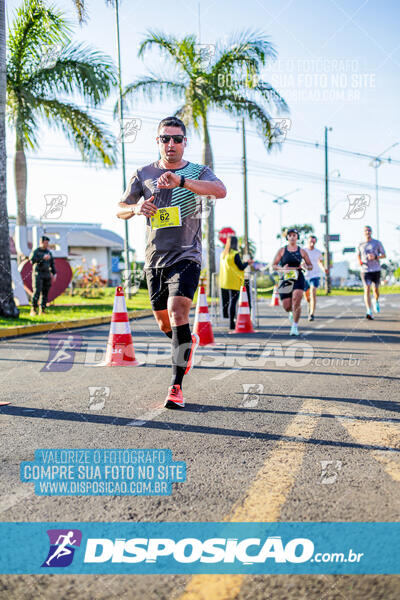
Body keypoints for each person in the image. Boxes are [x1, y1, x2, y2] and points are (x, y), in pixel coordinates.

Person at [117, 116, 226, 408]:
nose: (171, 144)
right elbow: (120, 209)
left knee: (178, 312)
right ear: (158, 141)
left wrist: (182, 181)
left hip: (187, 254)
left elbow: (220, 191)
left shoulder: (197, 171)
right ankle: (186, 344)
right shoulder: (143, 173)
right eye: (165, 138)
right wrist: (136, 207)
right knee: (164, 321)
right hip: (155, 259)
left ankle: (175, 387)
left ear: (184, 142)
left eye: (177, 139)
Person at [272, 229, 312, 336]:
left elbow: (310, 266)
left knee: (296, 300)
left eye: (294, 235)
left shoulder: (302, 251)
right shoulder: (282, 250)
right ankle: (291, 313)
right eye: (290, 235)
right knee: (286, 306)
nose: (292, 237)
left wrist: (305, 266)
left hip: (298, 277)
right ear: (287, 238)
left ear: (297, 237)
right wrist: (282, 269)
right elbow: (274, 265)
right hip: (285, 278)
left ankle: (294, 326)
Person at [219, 235, 254, 331]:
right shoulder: (235, 254)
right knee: (233, 302)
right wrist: (248, 263)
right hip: (234, 280)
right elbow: (241, 267)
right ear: (235, 243)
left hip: (224, 281)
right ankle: (231, 323)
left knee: (229, 301)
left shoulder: (223, 254)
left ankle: (231, 322)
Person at [357, 225, 386, 320]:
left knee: (376, 290)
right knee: (367, 289)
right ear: (363, 232)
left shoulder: (377, 243)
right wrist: (360, 262)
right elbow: (358, 255)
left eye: (369, 230)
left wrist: (375, 257)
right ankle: (368, 310)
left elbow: (384, 255)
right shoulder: (360, 244)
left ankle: (376, 301)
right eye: (366, 231)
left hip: (376, 269)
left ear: (371, 232)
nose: (367, 232)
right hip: (365, 270)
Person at [29, 235, 57, 316]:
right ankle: (33, 309)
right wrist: (42, 258)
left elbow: (52, 264)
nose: (46, 245)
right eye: (45, 243)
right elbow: (32, 260)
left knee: (45, 292)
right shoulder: (36, 251)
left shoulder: (48, 252)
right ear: (41, 242)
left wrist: (54, 273)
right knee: (37, 292)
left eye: (47, 243)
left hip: (46, 274)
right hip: (38, 274)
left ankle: (43, 309)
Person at [303, 235, 326, 321]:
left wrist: (323, 269)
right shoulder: (304, 251)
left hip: (315, 275)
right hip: (305, 276)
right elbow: (300, 262)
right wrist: (303, 265)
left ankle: (312, 314)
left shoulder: (318, 252)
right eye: (310, 241)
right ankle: (310, 304)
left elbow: (320, 262)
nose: (312, 243)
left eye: (314, 241)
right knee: (307, 297)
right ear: (308, 241)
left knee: (313, 293)